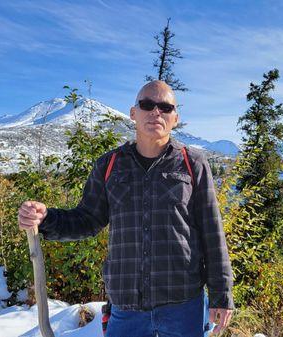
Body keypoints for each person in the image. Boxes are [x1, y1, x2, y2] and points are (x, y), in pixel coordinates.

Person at [18, 80, 234, 337]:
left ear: (175, 118)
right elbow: (87, 219)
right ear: (133, 113)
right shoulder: (109, 165)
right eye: (147, 104)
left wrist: (222, 294)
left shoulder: (193, 163)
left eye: (165, 107)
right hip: (126, 308)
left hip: (184, 305)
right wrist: (46, 218)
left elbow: (212, 231)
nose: (156, 112)